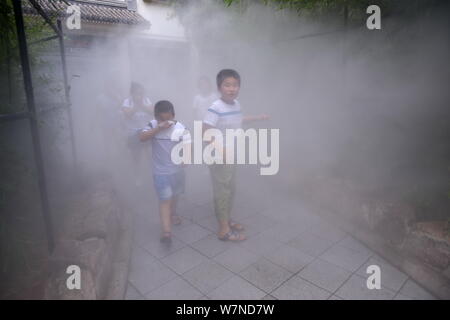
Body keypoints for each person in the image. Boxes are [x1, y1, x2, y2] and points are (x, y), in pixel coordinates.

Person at [202, 69, 269, 242]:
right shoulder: (215, 107)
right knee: (223, 191)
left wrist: (257, 118)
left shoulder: (236, 104)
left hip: (232, 154)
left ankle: (226, 219)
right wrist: (221, 151)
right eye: (227, 85)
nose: (232, 89)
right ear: (219, 87)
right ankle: (223, 230)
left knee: (230, 190)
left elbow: (238, 120)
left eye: (235, 85)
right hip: (219, 155)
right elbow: (205, 132)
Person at [140, 100, 190, 243]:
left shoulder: (180, 127)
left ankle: (173, 213)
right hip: (160, 172)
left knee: (175, 195)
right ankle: (166, 232)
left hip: (177, 171)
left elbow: (188, 142)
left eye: (168, 119)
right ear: (156, 117)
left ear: (173, 116)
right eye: (161, 119)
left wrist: (186, 157)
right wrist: (158, 128)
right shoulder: (152, 125)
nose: (165, 122)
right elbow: (142, 138)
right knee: (164, 199)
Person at [121, 82, 153, 186]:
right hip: (133, 133)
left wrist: (141, 104)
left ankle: (153, 175)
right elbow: (128, 113)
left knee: (150, 155)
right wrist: (136, 105)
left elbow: (152, 112)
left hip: (146, 131)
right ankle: (137, 177)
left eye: (141, 92)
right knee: (136, 157)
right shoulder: (127, 102)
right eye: (136, 93)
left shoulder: (146, 100)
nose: (139, 95)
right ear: (132, 93)